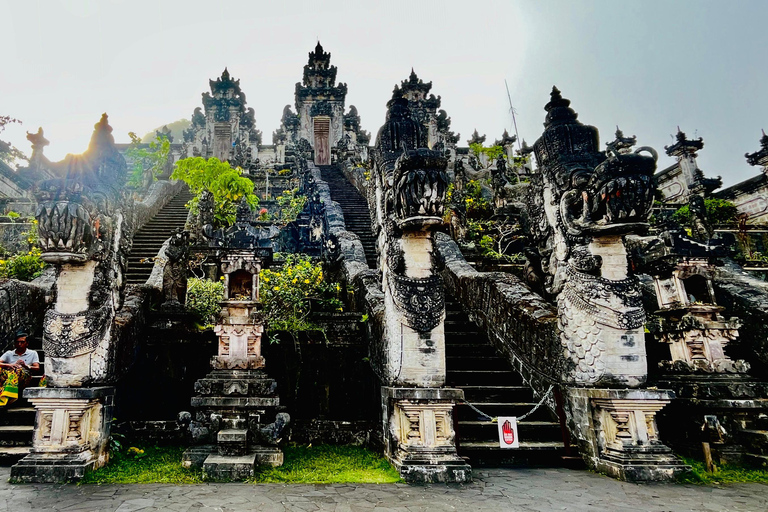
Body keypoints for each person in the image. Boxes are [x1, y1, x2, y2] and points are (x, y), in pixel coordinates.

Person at [0, 332, 39, 407]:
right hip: (9, 376)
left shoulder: (33, 353)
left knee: (17, 370)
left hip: (24, 377)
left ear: (27, 343)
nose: (19, 344)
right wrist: (9, 365)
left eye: (22, 342)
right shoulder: (9, 353)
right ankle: (6, 393)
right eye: (17, 342)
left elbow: (37, 368)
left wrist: (25, 366)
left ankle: (9, 395)